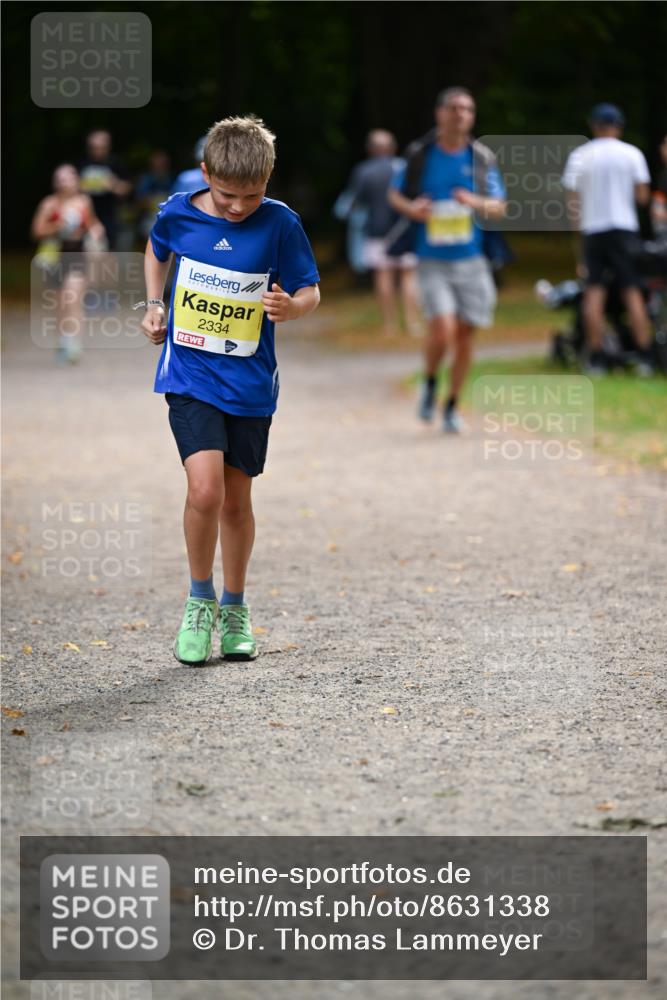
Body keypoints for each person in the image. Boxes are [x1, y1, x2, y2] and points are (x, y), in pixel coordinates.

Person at [139, 116, 320, 665]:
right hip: (190, 375)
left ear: (268, 179)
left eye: (252, 195)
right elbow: (156, 250)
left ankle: (235, 608)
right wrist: (153, 304)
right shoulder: (178, 211)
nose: (239, 207)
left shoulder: (281, 223)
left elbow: (311, 289)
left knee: (237, 501)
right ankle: (199, 601)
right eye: (226, 195)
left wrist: (293, 307)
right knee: (205, 492)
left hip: (249, 383)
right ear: (205, 174)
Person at [388, 87, 506, 432]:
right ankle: (429, 382)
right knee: (442, 330)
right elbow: (395, 194)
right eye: (454, 107)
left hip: (472, 261)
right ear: (440, 113)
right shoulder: (421, 153)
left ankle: (452, 404)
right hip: (431, 260)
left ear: (472, 116)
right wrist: (413, 209)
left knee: (466, 335)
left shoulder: (481, 157)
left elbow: (499, 206)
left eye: (467, 109)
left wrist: (474, 201)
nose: (460, 114)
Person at [562, 104, 653, 375]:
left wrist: (578, 234)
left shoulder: (580, 156)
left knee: (594, 292)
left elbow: (572, 203)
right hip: (624, 228)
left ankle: (597, 356)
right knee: (632, 291)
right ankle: (644, 355)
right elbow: (642, 197)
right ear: (619, 126)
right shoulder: (631, 154)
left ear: (593, 126)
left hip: (593, 229)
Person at [338, 130, 421, 337]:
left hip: (375, 231)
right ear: (392, 148)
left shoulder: (364, 171)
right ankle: (412, 322)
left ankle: (390, 325)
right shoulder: (404, 167)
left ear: (370, 149)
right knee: (408, 276)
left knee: (383, 275)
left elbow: (352, 204)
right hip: (405, 231)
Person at [31, 163, 105, 363]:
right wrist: (57, 226)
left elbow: (92, 223)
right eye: (60, 179)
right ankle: (64, 340)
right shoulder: (49, 204)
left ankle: (74, 344)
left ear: (76, 181)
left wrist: (97, 231)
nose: (65, 182)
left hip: (77, 254)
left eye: (68, 178)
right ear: (55, 183)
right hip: (55, 255)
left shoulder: (83, 201)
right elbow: (36, 231)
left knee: (73, 299)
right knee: (60, 303)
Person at [78, 130, 131, 250]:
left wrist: (113, 184)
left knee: (109, 249)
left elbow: (127, 189)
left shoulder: (115, 163)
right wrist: (81, 186)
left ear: (108, 147)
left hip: (110, 214)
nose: (97, 150)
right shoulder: (82, 163)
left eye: (101, 147)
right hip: (85, 213)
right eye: (94, 147)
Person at [135, 150, 173, 241]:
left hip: (169, 217)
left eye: (163, 164)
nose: (160, 166)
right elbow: (139, 201)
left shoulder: (172, 179)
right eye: (157, 163)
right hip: (149, 218)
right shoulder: (145, 180)